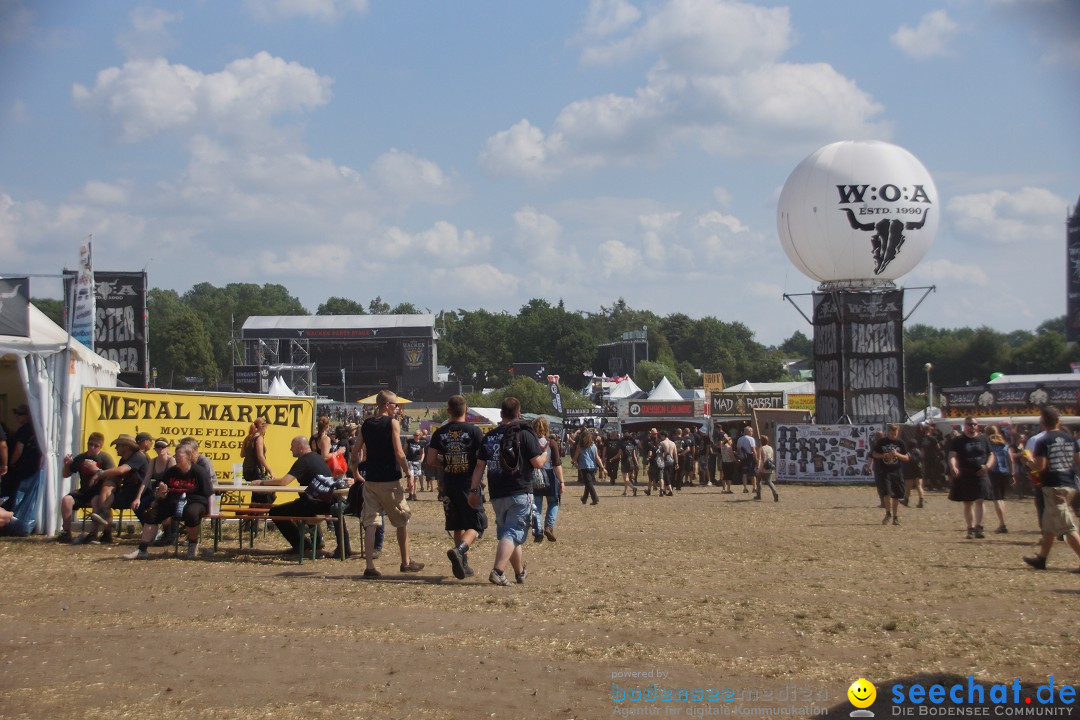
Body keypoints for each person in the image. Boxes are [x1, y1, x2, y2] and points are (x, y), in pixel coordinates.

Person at [468, 396, 546, 586]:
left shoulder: (490, 436)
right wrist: (545, 453)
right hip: (519, 490)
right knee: (512, 533)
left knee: (509, 534)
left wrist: (473, 490)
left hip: (497, 493)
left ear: (501, 414)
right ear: (518, 413)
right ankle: (498, 571)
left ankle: (519, 573)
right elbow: (537, 463)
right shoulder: (525, 434)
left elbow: (479, 466)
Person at [352, 390, 423, 578]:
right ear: (386, 405)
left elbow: (354, 453)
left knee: (370, 523)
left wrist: (356, 473)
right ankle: (405, 561)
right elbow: (399, 453)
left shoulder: (366, 424)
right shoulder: (392, 423)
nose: (397, 408)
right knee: (401, 520)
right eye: (395, 405)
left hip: (371, 481)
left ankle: (369, 566)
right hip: (390, 480)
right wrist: (408, 472)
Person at [427, 394, 487, 579]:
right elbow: (481, 459)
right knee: (478, 524)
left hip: (449, 484)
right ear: (466, 410)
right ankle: (460, 551)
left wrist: (446, 463)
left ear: (448, 411)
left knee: (457, 524)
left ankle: (463, 564)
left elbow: (430, 460)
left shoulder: (439, 432)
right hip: (469, 483)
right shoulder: (475, 431)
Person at [123, 443, 213, 560]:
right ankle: (142, 549)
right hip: (173, 500)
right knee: (152, 515)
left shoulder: (199, 472)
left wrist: (212, 511)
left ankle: (192, 544)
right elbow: (162, 493)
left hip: (194, 500)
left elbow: (209, 493)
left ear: (188, 457)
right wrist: (161, 493)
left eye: (179, 458)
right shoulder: (171, 472)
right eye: (176, 457)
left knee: (192, 513)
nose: (176, 460)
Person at [265, 435, 351, 556]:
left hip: (315, 503)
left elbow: (284, 482)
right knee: (296, 505)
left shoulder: (303, 461)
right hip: (328, 501)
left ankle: (302, 545)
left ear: (300, 447)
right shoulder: (317, 457)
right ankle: (311, 543)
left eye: (292, 446)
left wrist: (262, 482)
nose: (290, 449)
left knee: (275, 512)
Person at [1023, 407, 1080, 572]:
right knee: (1049, 526)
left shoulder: (1043, 441)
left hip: (1054, 486)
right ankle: (1042, 559)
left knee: (1067, 527)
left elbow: (1039, 467)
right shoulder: (1070, 439)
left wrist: (1028, 460)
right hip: (1068, 484)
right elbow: (1078, 462)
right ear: (1058, 421)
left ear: (1042, 423)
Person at [78, 433, 149, 544]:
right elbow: (117, 477)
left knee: (108, 488)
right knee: (105, 489)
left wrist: (98, 472)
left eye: (118, 445)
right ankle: (103, 528)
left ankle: (104, 517)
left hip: (141, 493)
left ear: (126, 447)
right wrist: (108, 483)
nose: (116, 448)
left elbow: (121, 470)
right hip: (127, 492)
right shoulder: (123, 460)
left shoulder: (138, 457)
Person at [56, 432, 115, 543]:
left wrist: (95, 470)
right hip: (84, 491)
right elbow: (65, 474)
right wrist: (67, 465)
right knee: (66, 500)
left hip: (98, 491)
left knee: (96, 500)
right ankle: (66, 532)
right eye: (90, 444)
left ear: (100, 447)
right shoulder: (81, 458)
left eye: (95, 446)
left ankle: (93, 533)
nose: (92, 448)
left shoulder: (104, 458)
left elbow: (112, 475)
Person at [948, 417, 994, 540]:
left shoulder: (983, 439)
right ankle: (970, 528)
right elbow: (952, 455)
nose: (972, 426)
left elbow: (991, 455)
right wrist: (953, 466)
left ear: (977, 425)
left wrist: (987, 466)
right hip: (965, 474)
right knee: (968, 503)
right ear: (965, 425)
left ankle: (979, 527)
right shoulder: (958, 440)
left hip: (981, 473)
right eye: (969, 424)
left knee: (980, 500)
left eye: (974, 424)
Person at [1, 404, 40, 514]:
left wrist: (10, 464)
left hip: (21, 468)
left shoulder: (24, 430)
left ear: (28, 415)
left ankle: (8, 514)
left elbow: (18, 450)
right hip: (32, 467)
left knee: (9, 490)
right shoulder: (35, 429)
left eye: (20, 414)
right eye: (16, 413)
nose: (17, 416)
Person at [531, 417, 564, 542]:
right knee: (553, 502)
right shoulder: (551, 443)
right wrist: (561, 481)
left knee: (537, 505)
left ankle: (538, 530)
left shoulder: (530, 441)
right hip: (550, 475)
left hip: (534, 475)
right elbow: (556, 464)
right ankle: (549, 527)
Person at [872, 424, 908, 525]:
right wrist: (884, 455)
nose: (893, 436)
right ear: (888, 432)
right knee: (887, 493)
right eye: (891, 434)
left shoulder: (900, 443)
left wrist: (897, 454)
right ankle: (888, 513)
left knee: (896, 495)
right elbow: (874, 454)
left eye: (895, 434)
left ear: (898, 432)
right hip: (885, 471)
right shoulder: (882, 442)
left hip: (897, 471)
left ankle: (895, 517)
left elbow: (906, 458)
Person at [986, 425, 1014, 533]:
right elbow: (1010, 460)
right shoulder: (1004, 444)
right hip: (1005, 472)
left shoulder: (989, 444)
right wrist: (1012, 474)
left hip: (993, 472)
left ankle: (1002, 524)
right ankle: (1002, 521)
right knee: (1001, 498)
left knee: (997, 499)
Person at [574, 430, 599, 505]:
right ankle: (584, 498)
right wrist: (602, 467)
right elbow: (597, 457)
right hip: (593, 466)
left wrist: (573, 461)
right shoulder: (594, 446)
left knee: (589, 483)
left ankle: (595, 498)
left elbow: (576, 456)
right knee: (588, 483)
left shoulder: (580, 446)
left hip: (584, 466)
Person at [755, 435, 780, 503]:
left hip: (762, 467)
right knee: (769, 481)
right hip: (769, 466)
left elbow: (760, 458)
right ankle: (774, 492)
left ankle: (758, 495)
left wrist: (758, 467)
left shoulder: (761, 448)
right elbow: (772, 458)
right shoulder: (770, 448)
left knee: (758, 481)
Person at [735, 426, 759, 495]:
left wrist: (739, 457)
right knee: (752, 473)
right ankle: (754, 488)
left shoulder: (740, 439)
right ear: (748, 432)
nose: (752, 433)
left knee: (744, 473)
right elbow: (753, 450)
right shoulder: (751, 439)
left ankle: (745, 488)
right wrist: (756, 459)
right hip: (750, 457)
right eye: (751, 431)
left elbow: (738, 450)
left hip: (743, 458)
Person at [405, 430, 425, 501]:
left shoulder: (421, 443)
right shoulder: (409, 441)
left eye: (416, 435)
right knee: (410, 478)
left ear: (419, 435)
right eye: (414, 435)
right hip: (410, 461)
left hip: (417, 462)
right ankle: (410, 494)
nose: (415, 436)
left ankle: (414, 494)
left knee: (415, 479)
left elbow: (422, 453)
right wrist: (404, 459)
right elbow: (405, 450)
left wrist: (421, 460)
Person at [618, 430, 638, 497]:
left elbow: (619, 454)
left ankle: (633, 488)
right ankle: (625, 491)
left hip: (625, 462)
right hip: (631, 463)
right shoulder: (632, 445)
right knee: (627, 479)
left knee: (626, 479)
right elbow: (634, 456)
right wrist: (637, 464)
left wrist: (612, 458)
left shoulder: (622, 445)